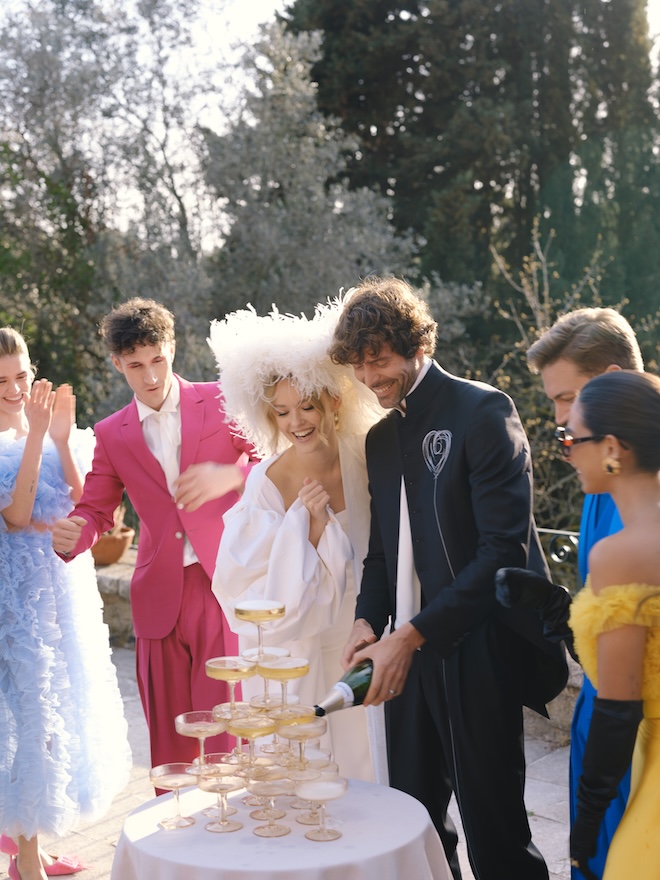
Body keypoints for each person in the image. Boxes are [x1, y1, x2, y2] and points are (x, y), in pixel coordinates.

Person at [328, 277, 568, 880]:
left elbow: (501, 553)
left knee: (496, 834)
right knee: (415, 824)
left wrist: (411, 635)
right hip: (401, 658)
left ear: (415, 344)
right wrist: (366, 619)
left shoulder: (485, 410)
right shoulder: (379, 439)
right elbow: (381, 553)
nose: (369, 377)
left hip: (476, 649)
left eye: (378, 360)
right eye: (358, 365)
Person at [51, 298, 257, 770]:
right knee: (171, 738)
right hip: (157, 595)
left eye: (158, 360)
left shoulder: (224, 400)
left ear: (173, 348)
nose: (150, 376)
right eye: (136, 365)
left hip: (220, 583)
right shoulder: (111, 433)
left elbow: (272, 459)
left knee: (226, 728)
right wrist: (73, 535)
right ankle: (178, 830)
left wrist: (231, 476)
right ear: (117, 363)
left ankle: (229, 832)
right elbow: (97, 509)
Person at [209, 302, 388, 783]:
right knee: (312, 773)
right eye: (282, 411)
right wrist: (305, 531)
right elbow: (239, 585)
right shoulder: (267, 482)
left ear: (333, 400)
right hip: (302, 650)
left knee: (372, 765)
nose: (296, 422)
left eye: (306, 406)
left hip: (368, 635)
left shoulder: (370, 457)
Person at [499, 307, 643, 880]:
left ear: (609, 378)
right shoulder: (599, 474)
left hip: (634, 729)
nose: (559, 417)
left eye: (567, 397)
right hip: (596, 712)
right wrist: (559, 608)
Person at [0, 328, 131, 880]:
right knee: (24, 718)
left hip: (58, 596)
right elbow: (16, 513)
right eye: (1, 381)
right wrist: (32, 437)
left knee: (53, 719)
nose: (14, 388)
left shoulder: (56, 427)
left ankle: (30, 842)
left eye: (21, 375)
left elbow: (88, 504)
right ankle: (25, 858)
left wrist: (57, 439)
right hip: (13, 599)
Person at [559, 370, 660, 880]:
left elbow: (618, 711)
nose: (566, 451)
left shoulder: (621, 554)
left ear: (613, 448)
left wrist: (587, 823)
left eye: (572, 438)